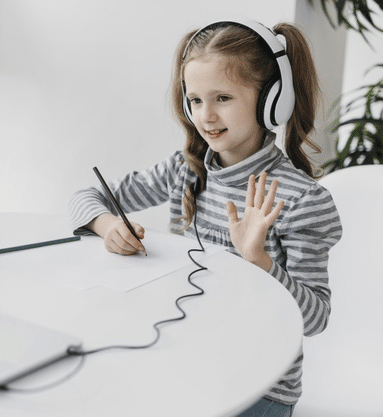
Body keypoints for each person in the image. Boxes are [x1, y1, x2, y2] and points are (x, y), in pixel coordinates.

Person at [68, 19, 342, 416]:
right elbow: (86, 195)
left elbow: (315, 319)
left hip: (259, 388)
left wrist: (259, 262)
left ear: (272, 100)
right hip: (186, 366)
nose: (206, 116)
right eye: (195, 100)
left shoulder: (302, 200)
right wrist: (108, 225)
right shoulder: (185, 171)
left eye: (223, 98)